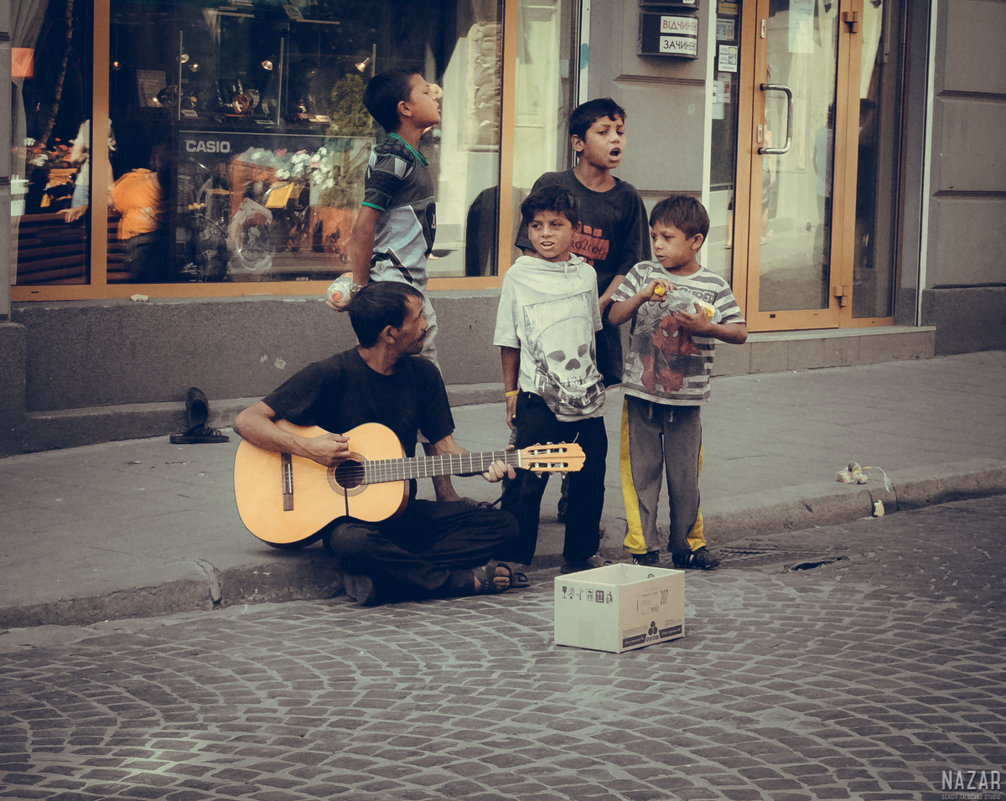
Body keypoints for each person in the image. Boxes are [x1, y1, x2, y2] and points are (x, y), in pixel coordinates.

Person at [235, 281, 523, 605]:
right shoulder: (330, 373)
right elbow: (247, 420)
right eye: (417, 319)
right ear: (390, 333)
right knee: (353, 545)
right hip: (350, 523)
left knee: (505, 526)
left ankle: (388, 577)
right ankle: (456, 580)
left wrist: (487, 464)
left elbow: (445, 450)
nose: (426, 325)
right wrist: (310, 449)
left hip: (400, 511)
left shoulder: (424, 375)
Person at [329, 69, 465, 504]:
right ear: (405, 109)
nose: (436, 94)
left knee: (419, 387)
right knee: (427, 387)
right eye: (426, 91)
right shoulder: (395, 156)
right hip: (398, 292)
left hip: (408, 289)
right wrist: (363, 288)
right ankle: (444, 496)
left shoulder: (409, 153)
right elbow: (364, 223)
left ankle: (430, 492)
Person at [514, 97, 650, 523]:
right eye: (604, 132)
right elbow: (528, 251)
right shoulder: (553, 185)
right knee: (542, 410)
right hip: (546, 326)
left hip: (596, 323)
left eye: (620, 132)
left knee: (585, 411)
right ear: (577, 142)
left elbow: (630, 265)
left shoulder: (627, 200)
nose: (615, 140)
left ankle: (575, 492)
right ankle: (529, 492)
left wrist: (600, 302)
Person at [608, 195, 747, 570]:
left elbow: (740, 332)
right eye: (654, 236)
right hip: (641, 394)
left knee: (686, 477)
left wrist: (709, 327)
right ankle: (643, 548)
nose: (657, 245)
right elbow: (614, 317)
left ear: (695, 241)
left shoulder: (714, 285)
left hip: (688, 400)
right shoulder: (641, 272)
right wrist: (641, 294)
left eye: (667, 237)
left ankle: (687, 544)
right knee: (641, 474)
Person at [493, 185, 608, 574]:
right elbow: (509, 340)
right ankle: (512, 558)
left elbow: (591, 331)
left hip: (585, 399)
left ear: (575, 229)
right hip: (536, 399)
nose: (545, 233)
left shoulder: (586, 276)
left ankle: (579, 554)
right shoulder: (518, 276)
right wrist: (511, 391)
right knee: (527, 478)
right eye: (536, 225)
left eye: (555, 224)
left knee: (589, 478)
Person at [109, 143, 170, 282]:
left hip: (168, 243)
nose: (167, 164)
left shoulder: (180, 186)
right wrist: (83, 208)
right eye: (164, 160)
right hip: (141, 245)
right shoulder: (135, 182)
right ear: (156, 161)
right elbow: (107, 202)